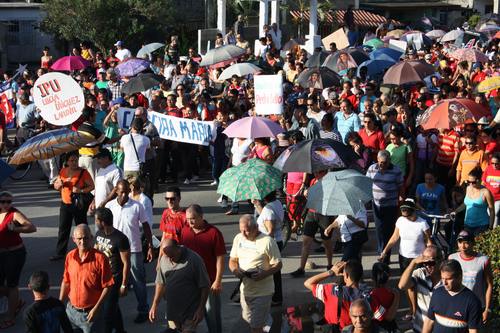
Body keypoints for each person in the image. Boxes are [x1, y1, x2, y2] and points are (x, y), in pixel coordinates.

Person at [105, 180, 153, 324]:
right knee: (112, 282)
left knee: (138, 281)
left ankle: (143, 310)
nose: (125, 194)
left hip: (134, 250)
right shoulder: (110, 206)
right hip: (114, 251)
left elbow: (146, 226)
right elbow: (104, 228)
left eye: (127, 191)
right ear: (116, 191)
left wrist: (150, 245)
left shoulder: (137, 206)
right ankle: (112, 311)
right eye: (122, 191)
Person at [229, 214, 282, 333]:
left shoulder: (267, 241)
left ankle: (265, 320)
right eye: (241, 230)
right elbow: (232, 260)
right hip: (245, 291)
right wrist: (236, 271)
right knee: (248, 320)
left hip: (263, 292)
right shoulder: (239, 238)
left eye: (246, 231)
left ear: (256, 228)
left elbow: (278, 264)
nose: (243, 234)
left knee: (255, 326)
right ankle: (267, 321)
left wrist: (264, 274)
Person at [179, 204, 226, 333]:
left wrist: (218, 280)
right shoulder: (185, 231)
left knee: (212, 315)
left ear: (201, 216)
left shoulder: (214, 233)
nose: (190, 222)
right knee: (189, 317)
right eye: (188, 219)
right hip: (190, 283)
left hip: (209, 282)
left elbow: (220, 258)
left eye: (193, 218)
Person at [59, 225, 114, 333]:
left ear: (91, 238)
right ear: (74, 239)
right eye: (79, 238)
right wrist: (60, 303)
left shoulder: (100, 258)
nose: (83, 241)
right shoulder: (70, 256)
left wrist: (96, 309)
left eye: (86, 238)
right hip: (71, 312)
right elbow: (66, 281)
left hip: (91, 314)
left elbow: (108, 286)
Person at [304, 260, 387, 330]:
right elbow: (381, 316)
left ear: (346, 275)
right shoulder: (369, 296)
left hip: (333, 329)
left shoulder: (331, 291)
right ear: (361, 275)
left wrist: (331, 272)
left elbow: (308, 283)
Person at [149, 237, 210, 332]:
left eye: (172, 256)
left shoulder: (194, 259)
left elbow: (205, 285)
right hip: (173, 311)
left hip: (190, 311)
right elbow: (160, 283)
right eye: (167, 256)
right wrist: (154, 305)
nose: (170, 259)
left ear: (178, 249)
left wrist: (201, 309)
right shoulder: (164, 259)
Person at [0, 191, 36, 329]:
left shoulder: (14, 214)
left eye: (9, 202)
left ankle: (10, 316)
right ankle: (16, 301)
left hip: (14, 254)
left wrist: (16, 228)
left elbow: (32, 227)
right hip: (1, 255)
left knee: (12, 285)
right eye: (3, 201)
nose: (6, 204)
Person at [51, 151, 94, 261]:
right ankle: (60, 252)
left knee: (82, 228)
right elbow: (56, 185)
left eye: (76, 160)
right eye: (72, 160)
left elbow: (91, 186)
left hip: (78, 205)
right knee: (63, 229)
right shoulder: (63, 171)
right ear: (67, 162)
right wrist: (58, 185)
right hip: (65, 204)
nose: (74, 162)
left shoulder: (83, 172)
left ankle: (87, 250)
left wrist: (81, 190)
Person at [290, 170, 334, 277]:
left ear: (324, 173)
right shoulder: (313, 180)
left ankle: (329, 265)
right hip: (311, 213)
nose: (316, 174)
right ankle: (301, 268)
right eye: (315, 172)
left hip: (324, 215)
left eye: (319, 172)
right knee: (306, 241)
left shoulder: (329, 182)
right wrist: (306, 194)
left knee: (327, 243)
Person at [94, 207, 130, 333]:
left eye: (96, 220)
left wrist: (124, 284)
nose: (95, 222)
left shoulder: (120, 238)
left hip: (114, 279)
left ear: (102, 222)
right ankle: (121, 330)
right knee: (113, 306)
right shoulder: (98, 235)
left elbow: (126, 263)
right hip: (101, 278)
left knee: (107, 314)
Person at [422, 259, 482, 333]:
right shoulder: (437, 293)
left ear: (460, 277)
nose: (444, 283)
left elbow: (473, 330)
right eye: (443, 278)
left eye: (448, 279)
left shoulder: (473, 301)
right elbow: (429, 321)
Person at [366, 150, 403, 263]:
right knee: (379, 230)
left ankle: (385, 255)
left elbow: (401, 187)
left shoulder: (396, 170)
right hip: (376, 205)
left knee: (388, 231)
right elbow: (366, 182)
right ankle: (381, 253)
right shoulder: (372, 168)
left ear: (389, 161)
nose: (383, 165)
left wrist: (401, 201)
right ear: (377, 160)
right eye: (381, 162)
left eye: (385, 163)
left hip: (391, 206)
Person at [448, 230, 493, 323]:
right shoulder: (452, 258)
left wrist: (487, 309)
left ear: (473, 243)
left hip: (477, 307)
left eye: (466, 243)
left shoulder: (483, 260)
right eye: (460, 242)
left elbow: (489, 285)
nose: (463, 246)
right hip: (456, 305)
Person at [398, 245, 443, 333]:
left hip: (439, 328)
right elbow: (402, 286)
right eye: (424, 262)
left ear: (440, 261)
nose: (427, 266)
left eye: (431, 263)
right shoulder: (420, 273)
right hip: (420, 327)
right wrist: (413, 263)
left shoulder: (447, 279)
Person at [252, 190, 285, 305]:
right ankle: (276, 297)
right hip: (277, 241)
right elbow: (265, 217)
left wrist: (265, 246)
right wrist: (257, 205)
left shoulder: (268, 209)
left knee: (272, 271)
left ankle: (275, 298)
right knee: (274, 271)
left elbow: (270, 230)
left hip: (271, 244)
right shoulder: (276, 203)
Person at [455, 168, 495, 236]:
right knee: (466, 245)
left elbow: (492, 211)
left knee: (477, 246)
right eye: (468, 182)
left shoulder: (486, 192)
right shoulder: (468, 188)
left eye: (473, 182)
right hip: (467, 225)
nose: (470, 184)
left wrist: (490, 227)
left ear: (479, 180)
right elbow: (466, 204)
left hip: (482, 226)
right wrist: (455, 211)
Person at [370, 263, 399, 332]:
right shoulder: (393, 292)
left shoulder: (373, 295)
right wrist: (397, 296)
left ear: (372, 277)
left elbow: (386, 317)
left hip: (379, 327)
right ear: (388, 276)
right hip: (392, 326)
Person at [481, 152, 500, 228]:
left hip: (498, 198)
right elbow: (483, 182)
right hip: (488, 198)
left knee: (495, 212)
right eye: (492, 163)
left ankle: (494, 231)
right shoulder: (488, 168)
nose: (494, 165)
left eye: (497, 163)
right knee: (488, 214)